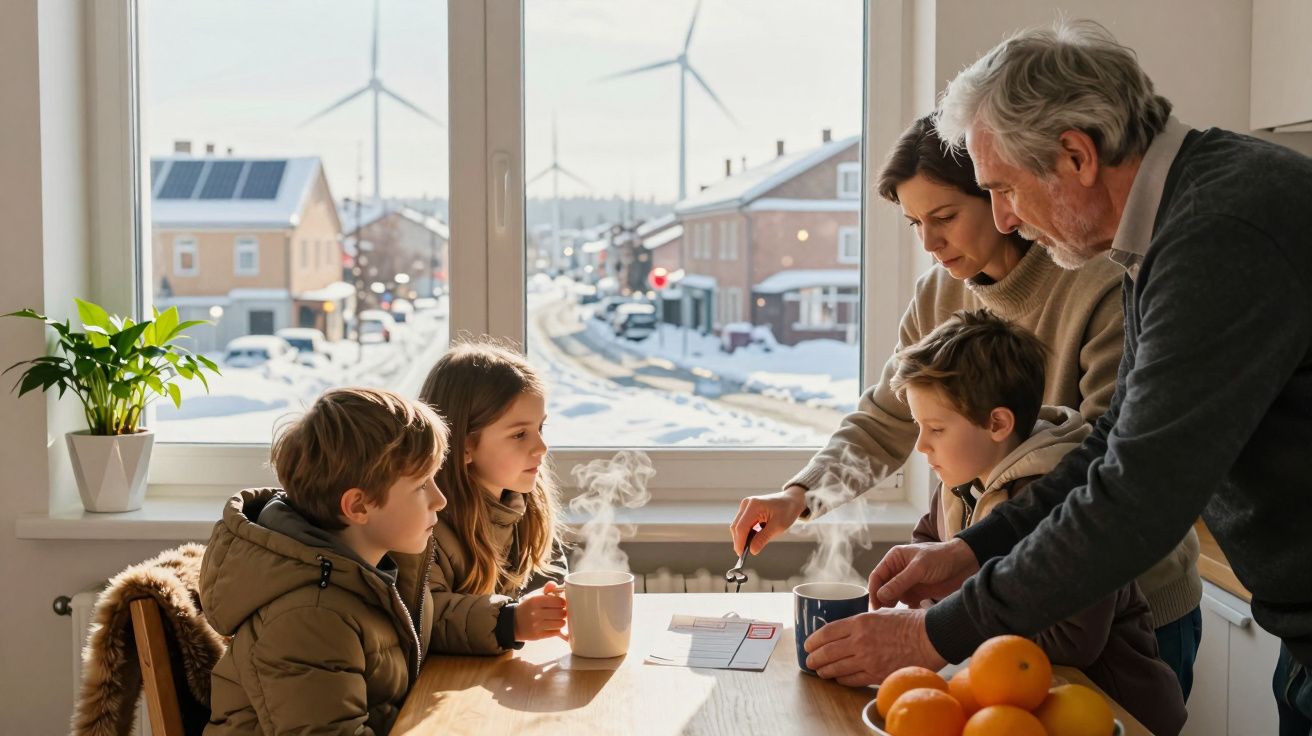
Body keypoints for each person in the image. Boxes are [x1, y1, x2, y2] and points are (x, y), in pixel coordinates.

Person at [803, 19, 1312, 732]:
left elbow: (1137, 493)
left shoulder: (1218, 233)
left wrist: (933, 634)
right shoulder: (1176, 223)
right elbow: (1109, 442)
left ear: (1075, 155)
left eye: (1003, 189)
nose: (1005, 218)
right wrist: (969, 549)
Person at [730, 114, 1203, 690]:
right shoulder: (938, 294)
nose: (929, 242)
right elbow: (886, 417)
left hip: (1126, 610)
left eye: (945, 218)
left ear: (1001, 199)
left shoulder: (1098, 285)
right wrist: (798, 497)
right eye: (914, 223)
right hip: (1007, 611)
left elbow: (1111, 462)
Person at [895, 309, 1185, 734]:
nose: (921, 445)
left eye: (935, 428)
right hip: (1028, 706)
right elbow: (931, 543)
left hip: (1114, 710)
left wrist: (950, 620)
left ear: (998, 423)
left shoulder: (1064, 502)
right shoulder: (962, 480)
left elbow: (1073, 642)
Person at [201, 387, 450, 735]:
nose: (440, 500)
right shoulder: (310, 618)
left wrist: (503, 623)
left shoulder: (373, 572)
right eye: (422, 485)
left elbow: (429, 626)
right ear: (358, 507)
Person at [418, 341, 569, 654]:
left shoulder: (528, 502)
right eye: (519, 434)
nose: (542, 447)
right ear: (465, 446)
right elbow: (425, 614)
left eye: (541, 428)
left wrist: (551, 601)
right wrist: (508, 622)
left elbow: (547, 570)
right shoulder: (425, 521)